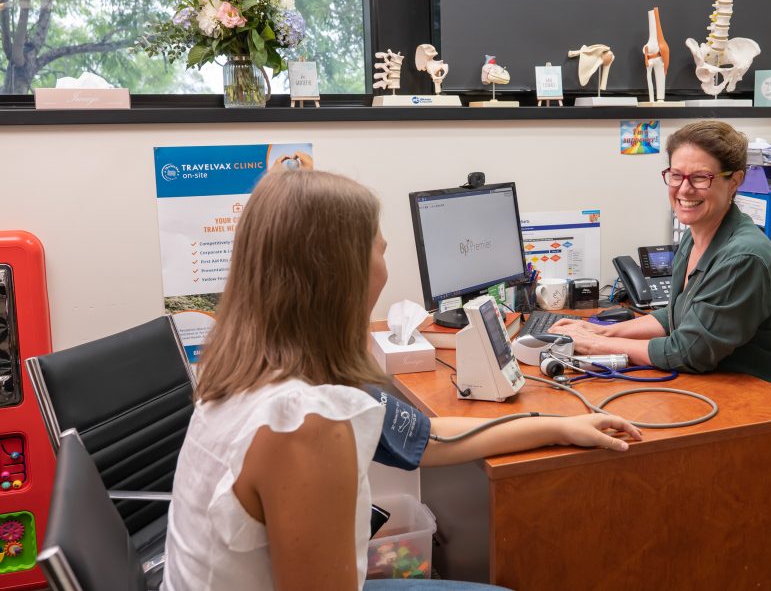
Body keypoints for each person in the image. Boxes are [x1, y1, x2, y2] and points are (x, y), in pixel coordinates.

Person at [162, 170, 641, 591]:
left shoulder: (258, 370)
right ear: (342, 276)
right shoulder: (305, 424)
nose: (385, 263)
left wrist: (557, 426)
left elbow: (426, 438)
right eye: (380, 247)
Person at [550, 120, 771, 410]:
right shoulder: (695, 236)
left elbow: (688, 351)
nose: (684, 189)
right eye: (676, 175)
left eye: (700, 177)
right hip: (739, 392)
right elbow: (677, 314)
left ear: (734, 181)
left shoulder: (743, 258)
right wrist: (602, 331)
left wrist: (596, 346)